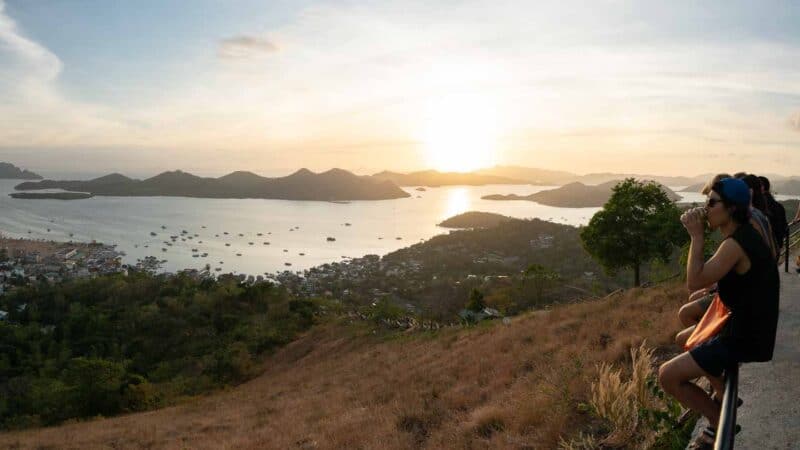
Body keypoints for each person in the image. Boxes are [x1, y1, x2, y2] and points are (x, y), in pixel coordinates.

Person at [659, 178, 780, 449]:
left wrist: (696, 236)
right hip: (747, 328)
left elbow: (694, 280)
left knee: (667, 375)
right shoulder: (743, 236)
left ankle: (719, 422)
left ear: (731, 209)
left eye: (712, 202)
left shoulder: (735, 244)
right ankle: (723, 393)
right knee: (685, 338)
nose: (706, 208)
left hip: (743, 336)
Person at [759, 176, 788, 258]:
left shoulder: (760, 208)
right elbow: (784, 227)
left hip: (765, 250)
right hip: (777, 247)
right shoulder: (779, 206)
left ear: (762, 187)